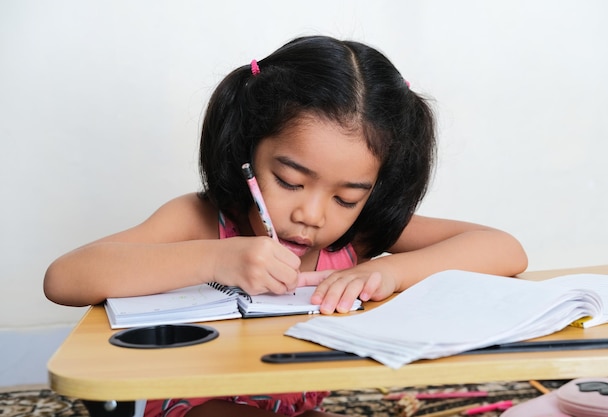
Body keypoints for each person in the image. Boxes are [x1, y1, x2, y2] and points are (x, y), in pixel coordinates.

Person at [44, 35, 528, 417]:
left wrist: (388, 273)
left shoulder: (354, 237)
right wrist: (217, 257)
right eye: (290, 181)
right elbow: (64, 278)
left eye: (346, 197)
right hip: (187, 405)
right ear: (246, 152)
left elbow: (504, 249)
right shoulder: (200, 220)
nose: (313, 216)